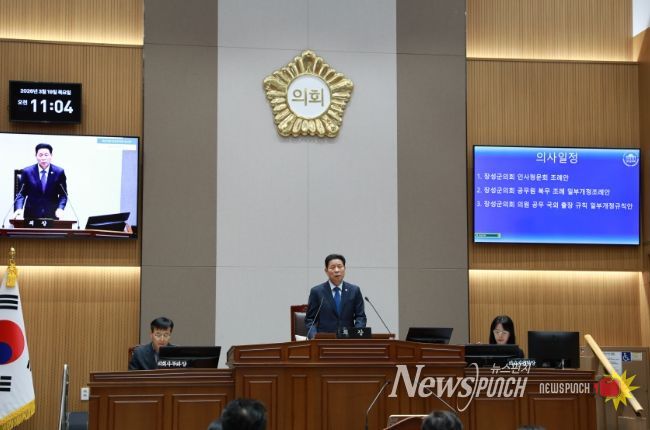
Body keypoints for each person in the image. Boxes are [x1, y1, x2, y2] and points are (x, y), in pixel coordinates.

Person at [304, 253, 367, 338]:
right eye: (332, 267)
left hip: (348, 339)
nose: (337, 270)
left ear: (344, 269)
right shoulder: (317, 292)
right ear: (326, 271)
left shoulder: (354, 290)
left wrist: (356, 335)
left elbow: (360, 317)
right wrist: (314, 337)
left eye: (340, 266)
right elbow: (310, 319)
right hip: (324, 340)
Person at [14, 143, 68, 220]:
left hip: (52, 214)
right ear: (36, 156)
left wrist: (60, 208)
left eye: (46, 155)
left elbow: (63, 194)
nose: (43, 158)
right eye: (40, 155)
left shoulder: (59, 172)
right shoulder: (27, 172)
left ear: (51, 156)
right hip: (31, 214)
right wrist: (19, 209)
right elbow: (21, 193)